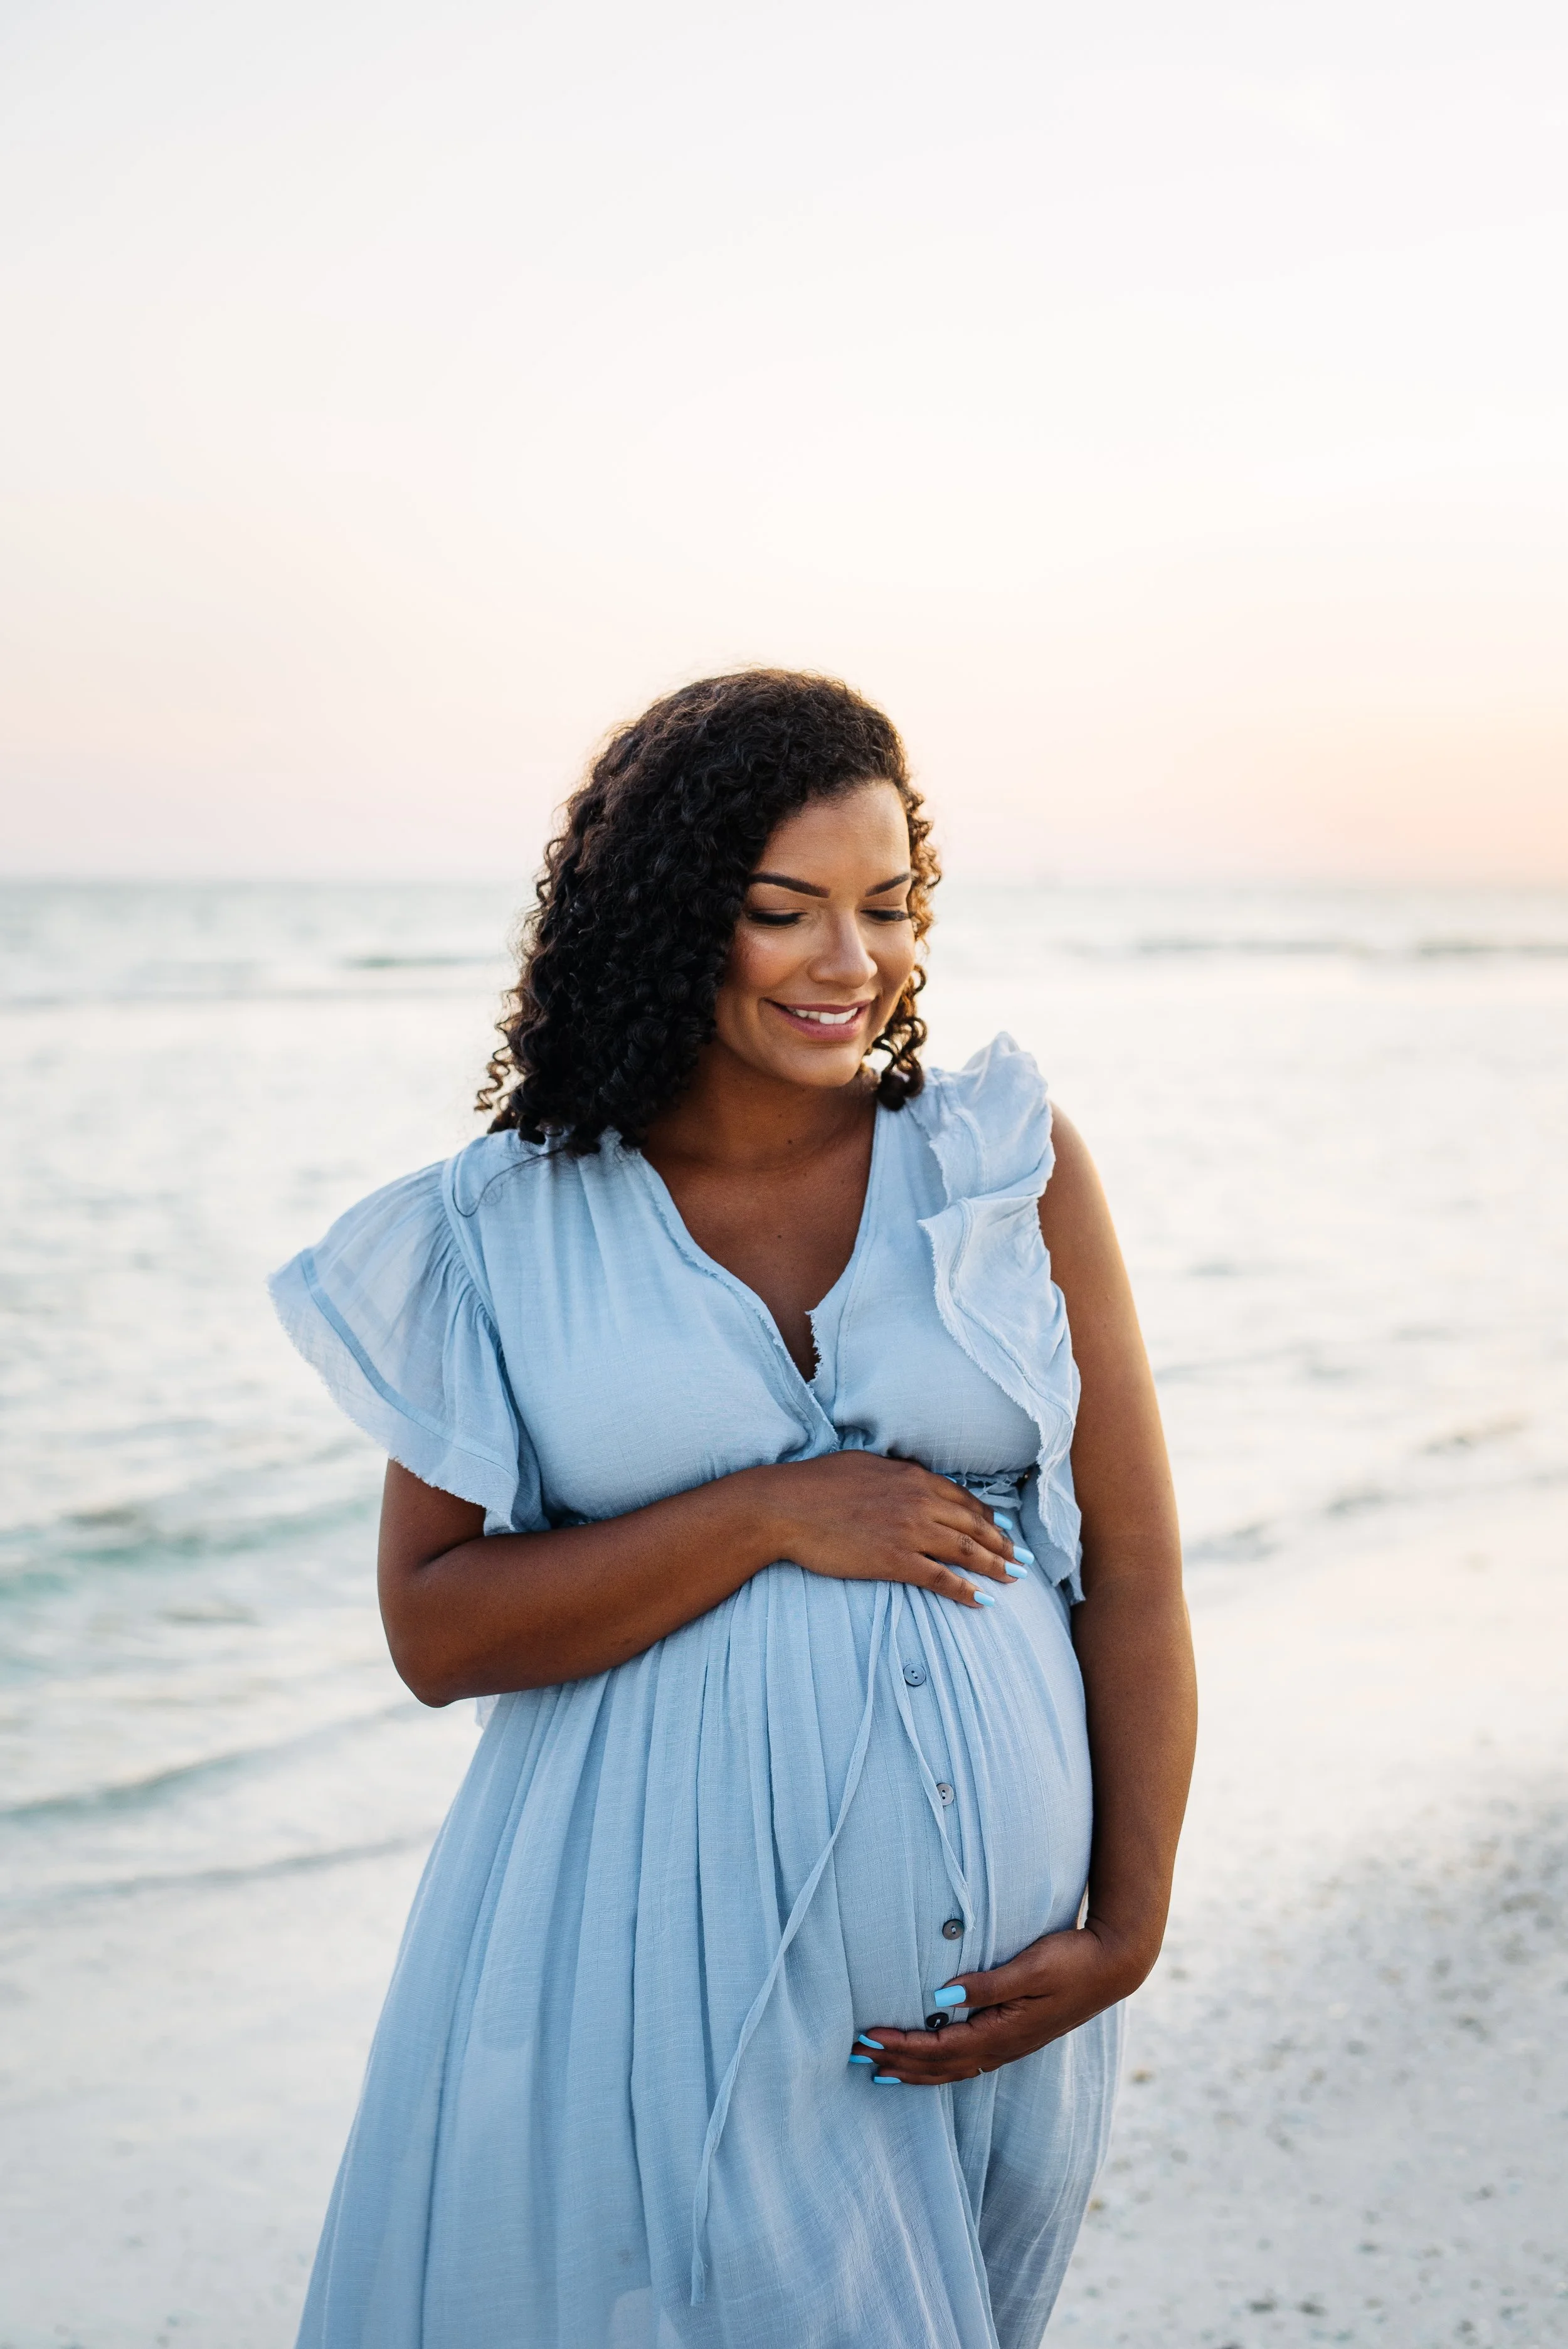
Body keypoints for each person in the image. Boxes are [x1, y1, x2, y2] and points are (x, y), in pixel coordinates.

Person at [269, 669, 1196, 2349]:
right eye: (786, 914)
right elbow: (435, 1626)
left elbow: (1129, 1571)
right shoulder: (500, 1230)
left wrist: (1129, 1925)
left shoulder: (1002, 1169)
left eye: (888, 908)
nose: (853, 966)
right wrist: (765, 1513)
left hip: (995, 2001)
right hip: (643, 1955)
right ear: (668, 914)